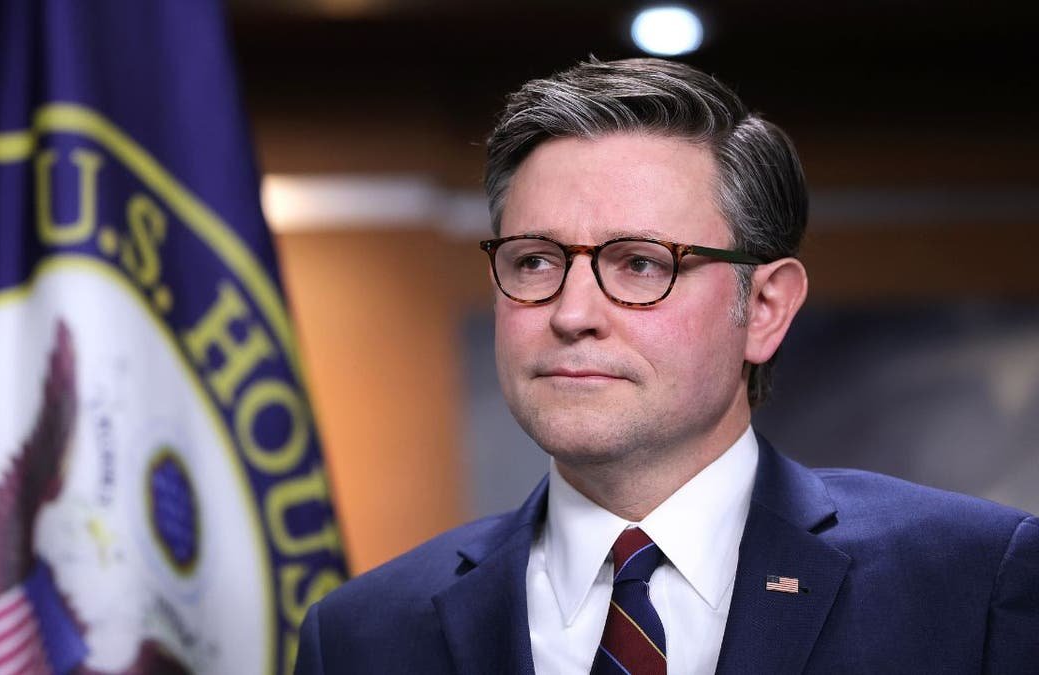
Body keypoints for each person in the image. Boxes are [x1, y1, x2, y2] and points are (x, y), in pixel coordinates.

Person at [294, 57, 1039, 674]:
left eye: (641, 263)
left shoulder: (971, 583)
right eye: (533, 260)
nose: (572, 311)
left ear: (767, 308)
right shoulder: (363, 635)